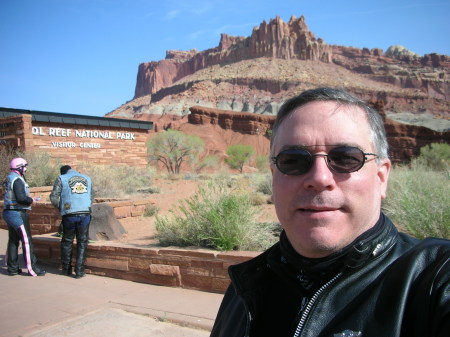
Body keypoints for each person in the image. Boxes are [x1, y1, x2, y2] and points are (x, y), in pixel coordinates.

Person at [210, 88, 450, 337]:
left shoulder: (434, 282)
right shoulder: (245, 289)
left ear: (382, 177)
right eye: (293, 160)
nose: (319, 177)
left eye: (346, 158)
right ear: (273, 179)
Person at [2, 157, 46, 276]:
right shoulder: (17, 180)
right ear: (19, 167)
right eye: (24, 167)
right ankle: (33, 268)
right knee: (26, 241)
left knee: (13, 240)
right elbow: (21, 198)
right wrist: (31, 200)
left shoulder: (9, 178)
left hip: (9, 212)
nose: (25, 169)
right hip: (17, 213)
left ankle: (12, 268)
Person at [50, 165, 93, 279]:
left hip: (69, 215)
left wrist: (62, 208)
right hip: (85, 214)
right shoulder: (87, 178)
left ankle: (66, 269)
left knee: (67, 241)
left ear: (63, 172)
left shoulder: (61, 178)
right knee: (82, 242)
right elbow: (91, 196)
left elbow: (54, 197)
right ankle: (79, 271)